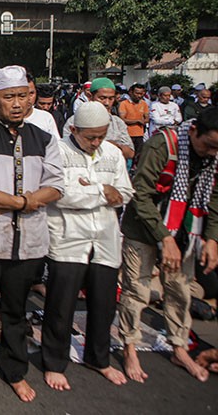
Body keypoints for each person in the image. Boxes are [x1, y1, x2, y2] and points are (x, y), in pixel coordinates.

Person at [0, 65, 64, 403]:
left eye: (22, 96)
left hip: (27, 243)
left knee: (16, 312)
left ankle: (14, 370)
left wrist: (16, 203)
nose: (16, 103)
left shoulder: (44, 136)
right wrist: (25, 201)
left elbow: (57, 184)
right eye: (9, 97)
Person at [118, 107, 218, 384]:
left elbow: (214, 198)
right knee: (136, 290)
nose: (211, 153)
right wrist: (164, 237)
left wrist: (212, 238)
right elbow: (140, 194)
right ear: (195, 130)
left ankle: (179, 346)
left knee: (180, 290)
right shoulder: (163, 144)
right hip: (144, 228)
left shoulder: (213, 156)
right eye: (208, 145)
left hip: (186, 230)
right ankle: (129, 347)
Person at [42, 102, 134, 391]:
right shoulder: (56, 150)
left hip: (105, 237)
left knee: (104, 304)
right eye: (89, 137)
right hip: (68, 237)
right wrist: (100, 191)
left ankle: (99, 358)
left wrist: (91, 190)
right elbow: (59, 194)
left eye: (101, 136)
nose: (96, 143)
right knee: (61, 304)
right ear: (73, 130)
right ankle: (55, 363)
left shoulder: (113, 153)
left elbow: (126, 193)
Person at [62, 78, 134, 161]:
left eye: (111, 99)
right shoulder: (74, 121)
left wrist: (112, 146)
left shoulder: (117, 123)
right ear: (91, 96)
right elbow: (66, 149)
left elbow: (130, 153)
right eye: (102, 98)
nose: (107, 103)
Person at [119, 83, 149, 164]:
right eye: (137, 93)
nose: (139, 96)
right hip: (128, 134)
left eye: (141, 93)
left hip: (140, 134)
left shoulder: (144, 103)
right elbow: (122, 119)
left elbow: (147, 118)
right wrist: (137, 121)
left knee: (139, 156)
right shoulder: (124, 104)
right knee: (128, 156)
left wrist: (144, 120)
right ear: (131, 92)